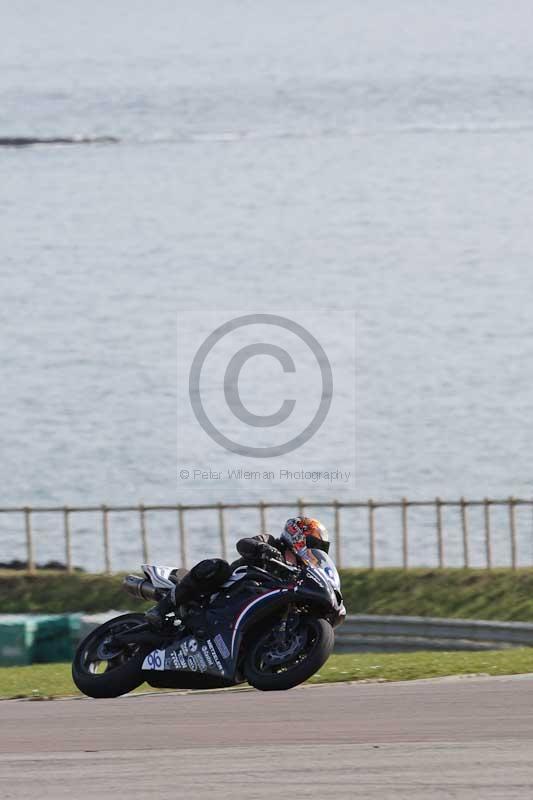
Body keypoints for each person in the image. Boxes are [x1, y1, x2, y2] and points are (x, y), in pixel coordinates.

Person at [146, 517, 330, 628]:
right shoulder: (271, 542)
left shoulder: (301, 570)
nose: (315, 551)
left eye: (320, 548)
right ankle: (161, 609)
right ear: (297, 535)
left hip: (254, 603)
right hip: (228, 588)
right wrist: (263, 549)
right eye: (314, 545)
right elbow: (244, 543)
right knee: (218, 566)